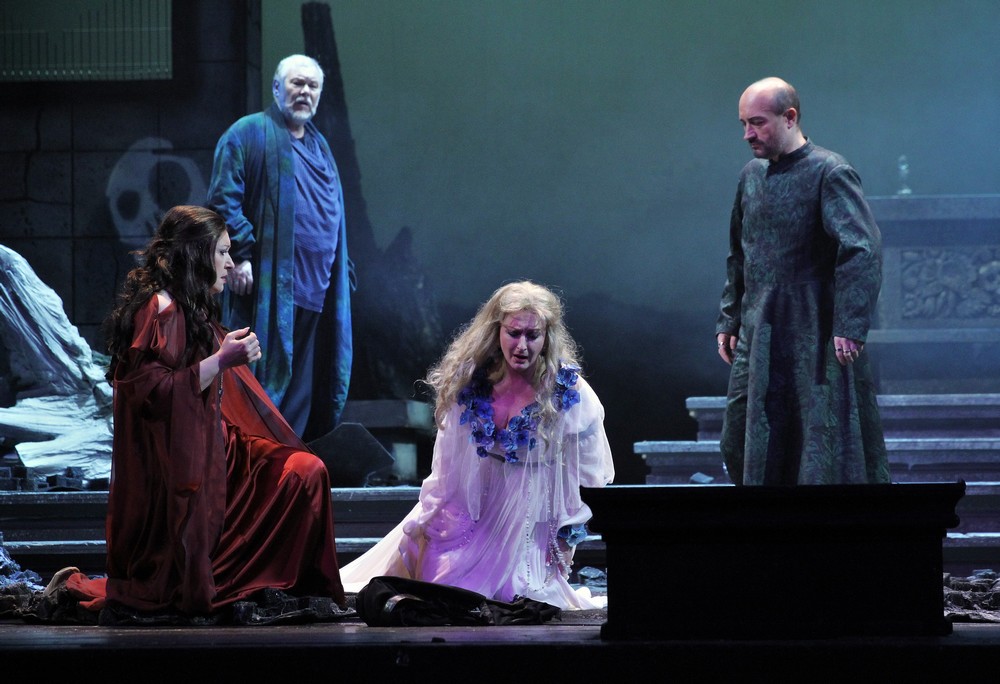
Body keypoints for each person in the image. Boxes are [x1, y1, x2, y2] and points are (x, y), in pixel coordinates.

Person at [94, 205, 345, 618]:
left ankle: (278, 580)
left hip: (213, 446)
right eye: (223, 252)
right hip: (181, 466)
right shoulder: (160, 308)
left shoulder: (190, 306)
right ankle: (231, 578)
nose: (230, 263)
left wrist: (226, 357)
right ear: (196, 254)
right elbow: (151, 395)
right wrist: (222, 360)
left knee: (306, 471)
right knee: (300, 473)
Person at [339, 281, 615, 610]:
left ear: (547, 337)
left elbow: (589, 472)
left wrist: (566, 533)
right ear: (497, 331)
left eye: (533, 335)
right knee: (444, 585)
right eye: (514, 333)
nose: (522, 345)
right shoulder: (473, 382)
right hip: (475, 511)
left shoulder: (567, 391)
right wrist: (436, 512)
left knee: (517, 595)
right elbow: (447, 461)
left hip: (527, 521)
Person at [716, 76, 890, 486]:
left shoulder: (830, 171)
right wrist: (729, 317)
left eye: (757, 122)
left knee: (815, 445)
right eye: (743, 124)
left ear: (790, 117)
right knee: (738, 437)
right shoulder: (751, 176)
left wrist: (850, 324)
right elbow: (740, 253)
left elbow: (861, 247)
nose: (747, 134)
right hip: (760, 329)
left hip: (812, 328)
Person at [207, 54, 352, 440]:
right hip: (267, 291)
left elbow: (331, 213)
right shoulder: (248, 133)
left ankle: (287, 458)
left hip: (315, 290)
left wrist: (342, 269)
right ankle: (253, 455)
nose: (305, 91)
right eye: (296, 83)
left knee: (302, 391)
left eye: (312, 86)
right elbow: (222, 199)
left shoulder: (320, 147)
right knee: (258, 381)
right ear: (276, 88)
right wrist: (239, 255)